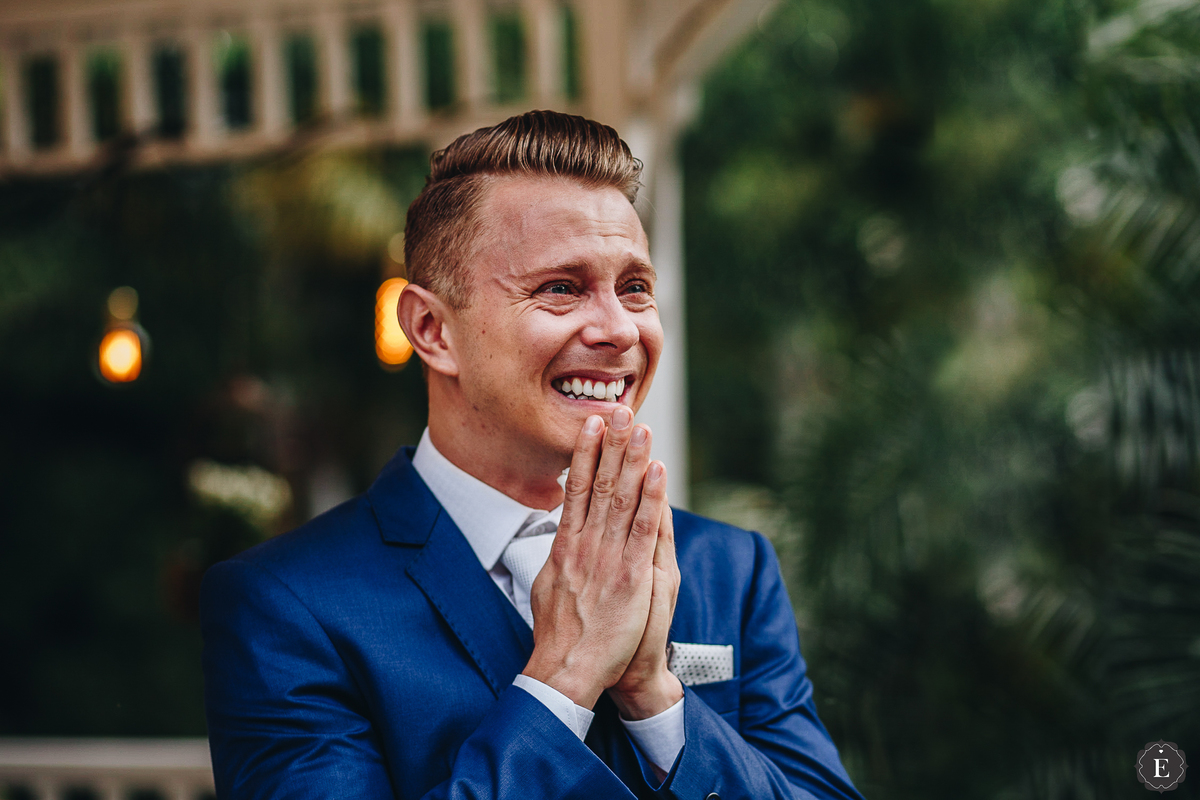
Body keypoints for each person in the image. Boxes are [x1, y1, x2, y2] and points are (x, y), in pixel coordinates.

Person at [200, 110, 863, 800]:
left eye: (634, 287)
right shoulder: (285, 603)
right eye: (561, 288)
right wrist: (565, 678)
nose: (617, 329)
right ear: (431, 329)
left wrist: (655, 697)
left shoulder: (730, 569)